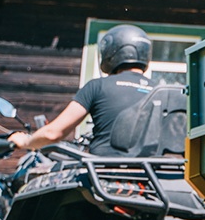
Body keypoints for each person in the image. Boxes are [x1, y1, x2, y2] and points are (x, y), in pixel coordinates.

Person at [9, 24, 155, 156]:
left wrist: (26, 141)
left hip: (104, 173)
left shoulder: (98, 86)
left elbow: (52, 133)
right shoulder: (161, 92)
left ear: (111, 52)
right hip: (152, 174)